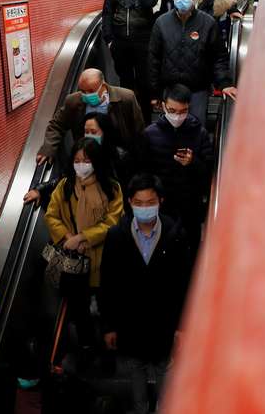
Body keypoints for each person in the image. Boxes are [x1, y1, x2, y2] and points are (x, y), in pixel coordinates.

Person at [99, 173, 190, 414]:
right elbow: (107, 284)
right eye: (138, 203)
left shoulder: (176, 234)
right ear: (129, 202)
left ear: (161, 200)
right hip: (131, 323)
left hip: (164, 323)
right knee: (135, 369)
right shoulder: (116, 236)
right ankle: (140, 408)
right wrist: (108, 326)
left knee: (165, 370)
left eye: (150, 202)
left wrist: (182, 326)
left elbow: (184, 283)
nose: (144, 208)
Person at [45, 137, 123, 356]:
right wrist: (68, 236)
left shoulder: (111, 187)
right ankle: (87, 346)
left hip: (102, 259)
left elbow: (113, 221)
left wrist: (83, 238)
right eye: (77, 160)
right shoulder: (65, 186)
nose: (81, 165)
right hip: (73, 264)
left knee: (106, 307)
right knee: (79, 310)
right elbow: (51, 215)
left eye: (86, 160)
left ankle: (109, 349)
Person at [137, 84, 214, 256]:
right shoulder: (150, 134)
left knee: (190, 252)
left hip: (190, 205)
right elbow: (142, 169)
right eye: (172, 110)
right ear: (163, 106)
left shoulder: (199, 133)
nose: (177, 116)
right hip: (161, 205)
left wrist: (193, 162)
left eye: (182, 111)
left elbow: (209, 171)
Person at [148, 0, 237, 124]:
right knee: (170, 131)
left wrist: (224, 83)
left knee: (196, 130)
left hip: (198, 90)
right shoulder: (161, 23)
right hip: (170, 91)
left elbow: (218, 57)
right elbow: (153, 59)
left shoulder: (207, 22)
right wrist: (155, 92)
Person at [37, 68, 146, 165]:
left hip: (118, 156)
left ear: (103, 86)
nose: (87, 95)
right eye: (83, 91)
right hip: (88, 157)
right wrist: (48, 148)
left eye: (91, 91)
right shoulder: (73, 101)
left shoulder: (126, 98)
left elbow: (138, 130)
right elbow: (57, 124)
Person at [102, 0, 158, 124]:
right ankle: (128, 120)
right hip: (120, 41)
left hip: (143, 40)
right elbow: (108, 13)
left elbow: (149, 2)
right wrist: (109, 39)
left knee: (144, 81)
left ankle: (146, 120)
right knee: (125, 81)